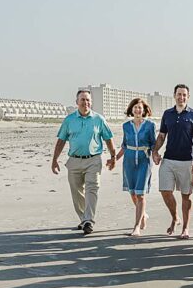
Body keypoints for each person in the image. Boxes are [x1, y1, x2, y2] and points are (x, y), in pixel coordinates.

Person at [51, 89, 116, 235]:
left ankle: (89, 220)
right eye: (82, 100)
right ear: (76, 102)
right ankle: (83, 218)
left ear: (91, 102)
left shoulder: (99, 119)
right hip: (74, 161)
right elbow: (61, 140)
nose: (85, 103)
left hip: (93, 160)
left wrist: (113, 157)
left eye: (88, 100)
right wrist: (54, 160)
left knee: (92, 188)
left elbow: (108, 138)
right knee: (77, 191)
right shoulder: (69, 120)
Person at [152, 84, 193, 239]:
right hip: (168, 159)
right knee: (165, 191)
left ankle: (185, 228)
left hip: (187, 160)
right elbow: (161, 136)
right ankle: (175, 217)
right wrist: (155, 151)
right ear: (174, 95)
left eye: (184, 95)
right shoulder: (168, 114)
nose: (181, 97)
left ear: (188, 97)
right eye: (179, 94)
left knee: (186, 195)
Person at [115, 97, 157, 237]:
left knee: (140, 193)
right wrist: (114, 159)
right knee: (132, 193)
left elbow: (153, 144)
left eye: (140, 108)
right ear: (131, 110)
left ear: (144, 110)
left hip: (144, 161)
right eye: (135, 107)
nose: (138, 110)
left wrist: (156, 155)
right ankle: (143, 214)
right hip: (129, 161)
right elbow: (124, 145)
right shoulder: (126, 126)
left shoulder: (150, 125)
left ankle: (137, 226)